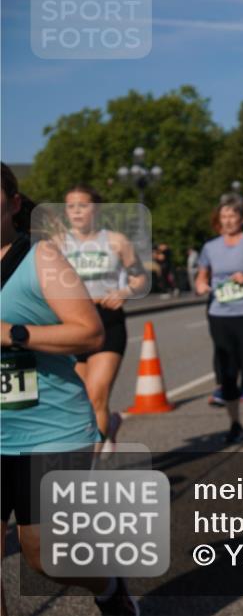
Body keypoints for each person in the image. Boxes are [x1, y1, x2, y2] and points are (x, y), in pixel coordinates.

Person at [1, 164, 139, 615]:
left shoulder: (40, 258)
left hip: (48, 430)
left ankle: (109, 587)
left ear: (13, 203)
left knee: (45, 555)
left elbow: (89, 332)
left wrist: (12, 334)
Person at [57, 184, 147, 454]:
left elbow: (140, 278)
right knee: (79, 400)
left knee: (97, 395)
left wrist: (125, 292)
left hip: (107, 320)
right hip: (71, 323)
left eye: (82, 205)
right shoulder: (57, 244)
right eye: (71, 206)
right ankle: (111, 424)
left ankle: (90, 467)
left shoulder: (116, 241)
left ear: (96, 209)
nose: (76, 212)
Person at [195, 194, 243, 444]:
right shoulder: (210, 247)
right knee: (227, 373)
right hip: (220, 314)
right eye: (224, 216)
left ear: (242, 219)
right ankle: (235, 423)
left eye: (232, 216)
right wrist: (200, 285)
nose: (228, 221)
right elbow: (202, 274)